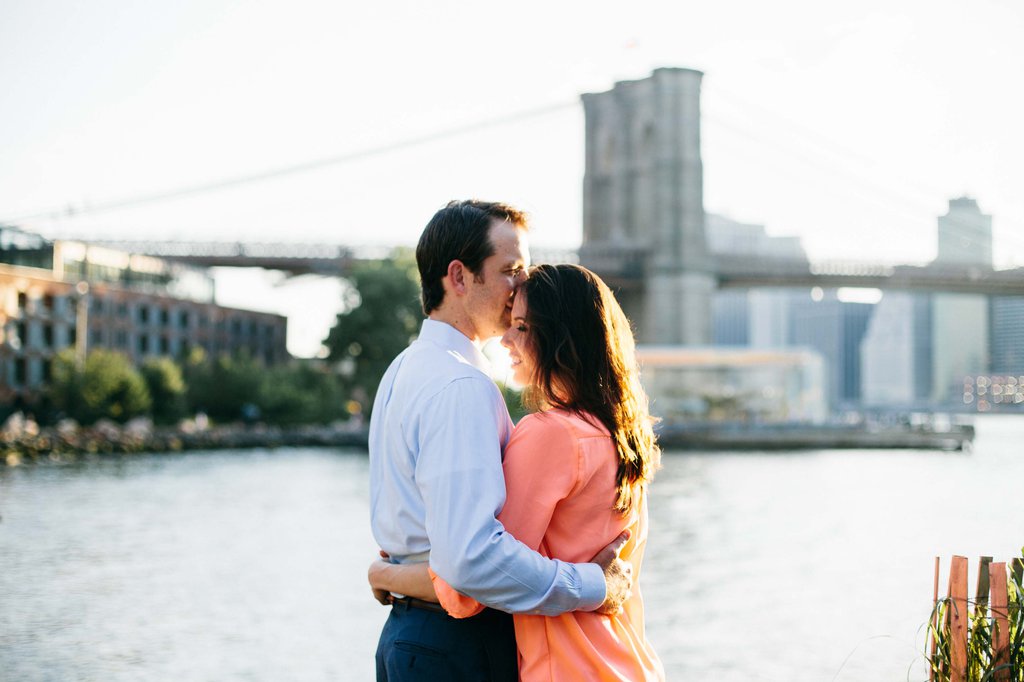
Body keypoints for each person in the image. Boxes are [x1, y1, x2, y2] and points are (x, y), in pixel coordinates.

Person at [369, 201, 633, 682]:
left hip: (408, 632)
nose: (522, 285)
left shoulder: (402, 369)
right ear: (459, 277)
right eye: (511, 271)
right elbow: (472, 559)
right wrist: (594, 584)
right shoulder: (462, 385)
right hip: (456, 640)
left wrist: (391, 575)